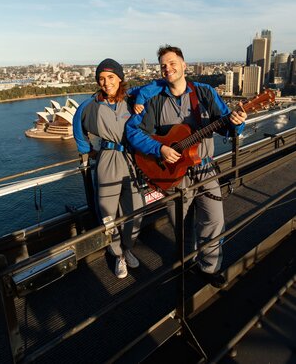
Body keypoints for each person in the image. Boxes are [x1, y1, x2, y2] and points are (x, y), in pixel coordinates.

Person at [126, 45, 247, 288]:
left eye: (172, 63)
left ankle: (209, 267)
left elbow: (226, 126)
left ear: (184, 65)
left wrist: (238, 123)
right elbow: (132, 131)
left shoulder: (204, 93)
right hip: (171, 174)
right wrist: (159, 149)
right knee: (182, 225)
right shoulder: (154, 100)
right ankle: (188, 260)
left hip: (204, 168)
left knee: (214, 220)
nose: (168, 68)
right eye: (163, 66)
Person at [73, 58, 144, 279]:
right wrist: (88, 150)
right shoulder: (90, 105)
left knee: (136, 208)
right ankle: (118, 255)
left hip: (131, 158)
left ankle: (128, 247)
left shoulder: (132, 100)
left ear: (120, 78)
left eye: (110, 77)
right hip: (107, 159)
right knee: (107, 212)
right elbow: (77, 126)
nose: (106, 82)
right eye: (101, 79)